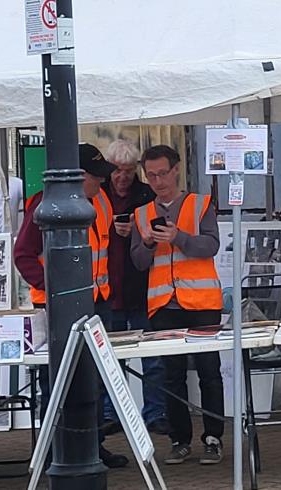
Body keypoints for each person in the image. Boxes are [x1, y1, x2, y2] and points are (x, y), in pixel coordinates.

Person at [13, 143, 128, 468]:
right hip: (58, 309)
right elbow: (23, 255)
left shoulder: (100, 201)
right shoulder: (44, 204)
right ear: (78, 177)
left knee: (91, 381)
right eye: (97, 177)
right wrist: (55, 291)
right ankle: (55, 451)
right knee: (57, 383)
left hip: (96, 303)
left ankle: (91, 444)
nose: (103, 183)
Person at [129, 145, 225, 465]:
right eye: (151, 175)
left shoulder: (199, 205)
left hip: (201, 301)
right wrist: (146, 241)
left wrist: (179, 237)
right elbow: (139, 263)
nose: (158, 181)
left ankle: (213, 437)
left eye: (163, 174)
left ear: (176, 171)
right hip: (163, 305)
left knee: (209, 373)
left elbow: (211, 245)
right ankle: (179, 438)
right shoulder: (141, 214)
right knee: (172, 376)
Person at [97, 139, 169, 436]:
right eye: (117, 171)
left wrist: (136, 234)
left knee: (152, 357)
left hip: (142, 287)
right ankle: (110, 413)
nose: (122, 177)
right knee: (110, 359)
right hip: (108, 289)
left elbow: (157, 232)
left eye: (128, 171)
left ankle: (156, 412)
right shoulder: (97, 197)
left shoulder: (146, 195)